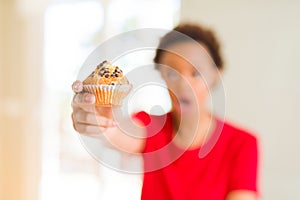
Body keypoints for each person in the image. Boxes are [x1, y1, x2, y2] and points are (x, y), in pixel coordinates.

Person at [71, 23, 259, 200]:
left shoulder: (243, 144)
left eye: (195, 73)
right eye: (172, 73)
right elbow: (120, 132)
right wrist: (102, 122)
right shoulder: (151, 127)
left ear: (215, 75)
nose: (183, 83)